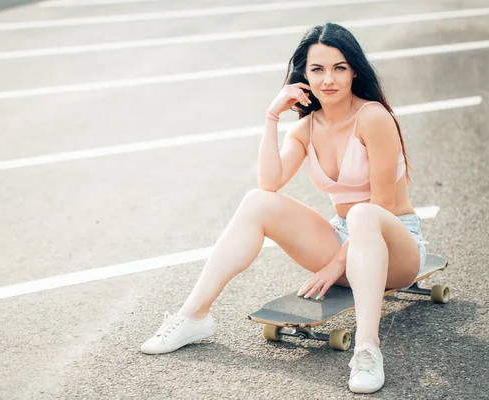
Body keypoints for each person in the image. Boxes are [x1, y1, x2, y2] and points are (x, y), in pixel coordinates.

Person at [140, 22, 425, 394]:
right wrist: (271, 117)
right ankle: (193, 316)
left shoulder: (373, 117)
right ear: (303, 75)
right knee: (257, 202)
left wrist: (336, 263)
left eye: (339, 67)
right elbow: (269, 184)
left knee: (364, 213)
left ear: (355, 69)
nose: (329, 79)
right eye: (317, 69)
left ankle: (367, 350)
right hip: (344, 238)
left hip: (395, 247)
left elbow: (383, 204)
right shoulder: (306, 129)